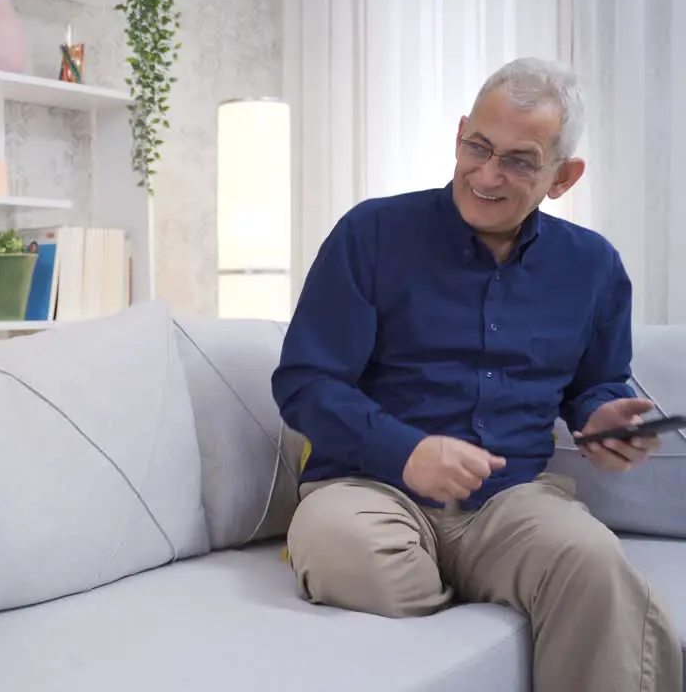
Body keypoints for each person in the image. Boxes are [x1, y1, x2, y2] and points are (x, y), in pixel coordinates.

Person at [272, 57, 682, 692]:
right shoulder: (370, 233)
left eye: (519, 161)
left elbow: (595, 384)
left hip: (510, 503)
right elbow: (305, 383)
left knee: (594, 560)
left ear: (563, 177)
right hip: (369, 490)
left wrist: (603, 417)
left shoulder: (593, 267)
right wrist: (405, 451)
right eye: (478, 147)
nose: (486, 175)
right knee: (346, 550)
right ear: (460, 133)